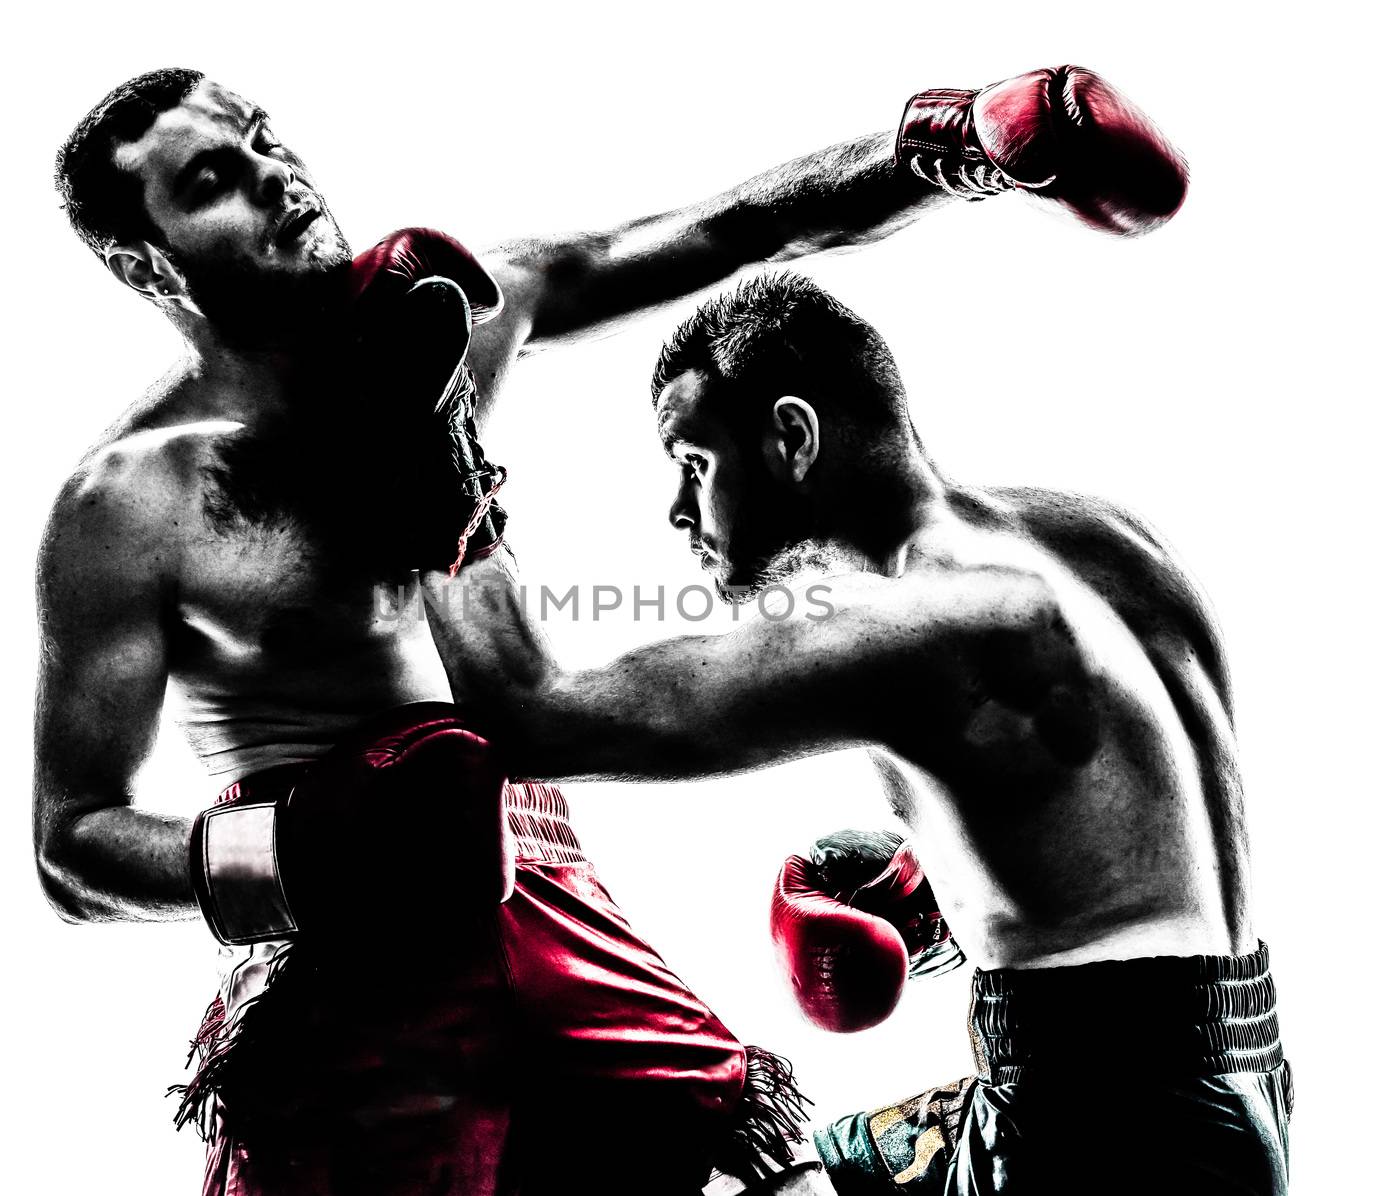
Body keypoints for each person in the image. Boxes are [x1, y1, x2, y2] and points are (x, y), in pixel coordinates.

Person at [34, 66, 1185, 1195]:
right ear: (147, 260)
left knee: (781, 1179)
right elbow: (71, 845)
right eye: (215, 178)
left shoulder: (448, 323)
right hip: (358, 984)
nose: (278, 177)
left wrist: (956, 150)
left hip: (563, 922)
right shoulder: (132, 501)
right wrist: (287, 855)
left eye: (266, 139)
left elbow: (734, 229)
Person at [422, 272, 1290, 1195]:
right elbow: (1137, 844)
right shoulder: (1103, 539)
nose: (679, 512)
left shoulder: (906, 622)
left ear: (792, 439)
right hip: (1231, 1076)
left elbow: (531, 713)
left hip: (1109, 1128)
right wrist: (927, 889)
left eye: (694, 464)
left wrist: (431, 459)